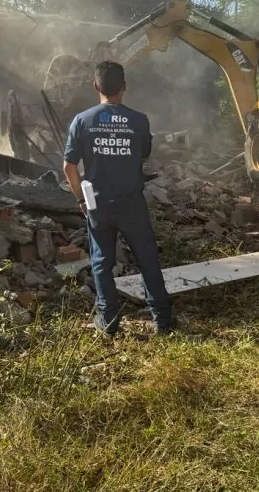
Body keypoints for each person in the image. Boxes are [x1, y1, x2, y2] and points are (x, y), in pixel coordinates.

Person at [63, 60, 174, 337]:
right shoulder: (138, 120)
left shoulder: (82, 120)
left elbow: (69, 167)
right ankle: (162, 320)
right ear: (124, 87)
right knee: (147, 258)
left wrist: (81, 200)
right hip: (131, 203)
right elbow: (145, 154)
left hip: (98, 204)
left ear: (95, 86)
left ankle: (109, 321)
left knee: (102, 262)